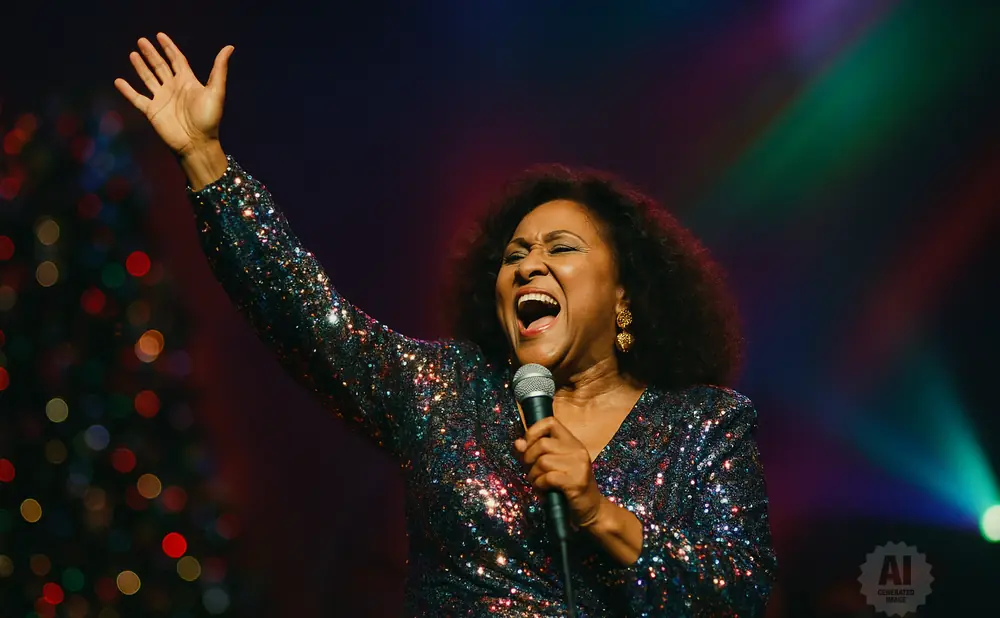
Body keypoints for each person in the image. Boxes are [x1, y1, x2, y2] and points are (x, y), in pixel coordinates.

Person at [115, 33, 777, 617]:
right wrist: (205, 160)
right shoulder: (447, 390)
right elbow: (303, 311)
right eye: (514, 255)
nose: (527, 267)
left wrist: (598, 511)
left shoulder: (704, 425)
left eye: (560, 249)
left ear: (627, 299)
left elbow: (735, 589)